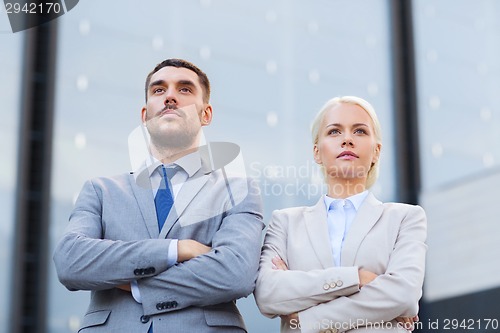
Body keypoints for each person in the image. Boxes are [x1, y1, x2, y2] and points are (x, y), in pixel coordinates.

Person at [54, 58, 264, 332]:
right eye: (159, 90)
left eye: (185, 89)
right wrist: (176, 250)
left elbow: (235, 274)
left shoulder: (238, 190)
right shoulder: (100, 190)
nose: (170, 97)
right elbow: (71, 260)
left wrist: (134, 284)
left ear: (206, 114)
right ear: (144, 115)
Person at [254, 96, 427, 333]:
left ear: (376, 151)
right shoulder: (285, 222)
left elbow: (404, 295)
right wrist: (356, 277)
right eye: (334, 132)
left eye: (359, 131)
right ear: (317, 152)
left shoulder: (405, 218)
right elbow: (268, 295)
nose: (347, 139)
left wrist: (306, 318)